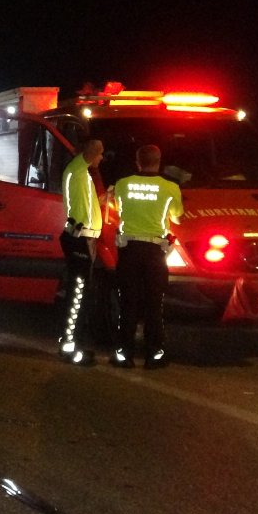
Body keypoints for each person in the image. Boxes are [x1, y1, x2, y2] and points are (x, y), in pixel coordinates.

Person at [111, 144, 183, 369]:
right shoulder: (171, 188)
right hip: (155, 252)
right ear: (159, 161)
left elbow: (117, 208)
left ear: (137, 161)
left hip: (129, 250)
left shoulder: (123, 184)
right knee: (154, 304)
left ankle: (125, 354)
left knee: (128, 303)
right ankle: (155, 354)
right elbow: (178, 217)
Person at [58, 139, 105, 366]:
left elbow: (86, 204)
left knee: (79, 294)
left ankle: (72, 341)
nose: (102, 158)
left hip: (83, 239)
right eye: (100, 153)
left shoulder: (82, 173)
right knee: (77, 295)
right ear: (93, 153)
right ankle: (70, 348)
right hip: (79, 240)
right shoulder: (77, 170)